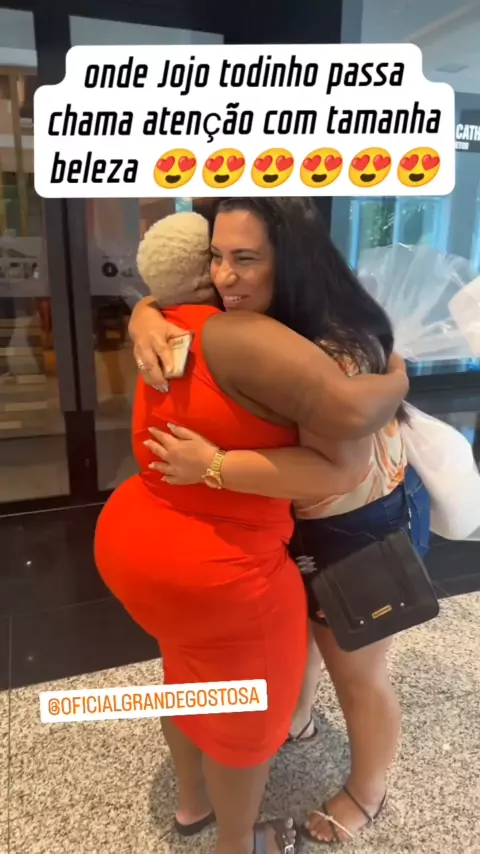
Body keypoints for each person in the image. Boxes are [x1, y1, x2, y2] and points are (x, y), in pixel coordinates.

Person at [96, 208, 409, 854]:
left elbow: (344, 457)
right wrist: (144, 313)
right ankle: (278, 758)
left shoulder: (334, 341)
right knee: (265, 671)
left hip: (351, 521)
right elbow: (180, 311)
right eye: (217, 256)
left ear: (289, 261)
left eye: (245, 259)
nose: (222, 275)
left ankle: (367, 790)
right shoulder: (242, 320)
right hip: (275, 529)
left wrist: (214, 465)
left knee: (357, 672)